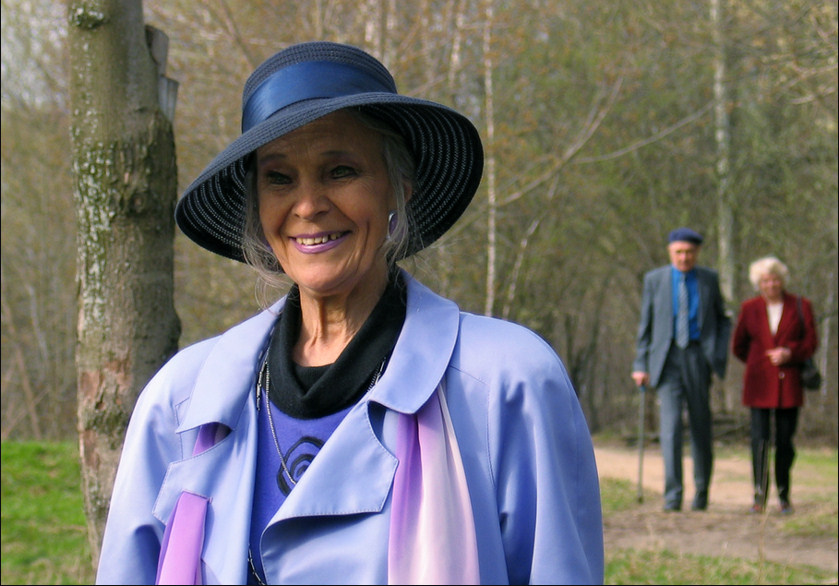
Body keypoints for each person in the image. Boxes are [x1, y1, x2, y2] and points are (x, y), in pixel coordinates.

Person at [95, 41, 604, 585]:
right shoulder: (182, 404)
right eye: (279, 177)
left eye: (340, 170)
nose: (308, 204)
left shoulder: (504, 385)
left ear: (398, 188)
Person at [631, 227, 731, 512]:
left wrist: (717, 351)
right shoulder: (655, 280)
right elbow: (645, 325)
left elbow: (723, 320)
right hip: (666, 360)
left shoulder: (709, 279)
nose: (684, 257)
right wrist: (640, 364)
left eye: (689, 252)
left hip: (699, 357)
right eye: (678, 252)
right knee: (671, 427)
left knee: (701, 427)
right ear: (670, 252)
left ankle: (701, 494)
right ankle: (672, 496)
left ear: (696, 253)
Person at [732, 256, 818, 515]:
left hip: (789, 385)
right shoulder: (749, 308)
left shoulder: (801, 306)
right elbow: (739, 345)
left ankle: (784, 495)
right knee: (759, 441)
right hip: (758, 385)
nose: (771, 285)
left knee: (784, 442)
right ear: (759, 283)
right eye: (766, 280)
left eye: (775, 279)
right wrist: (760, 362)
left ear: (783, 281)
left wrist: (789, 354)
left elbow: (811, 342)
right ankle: (759, 495)